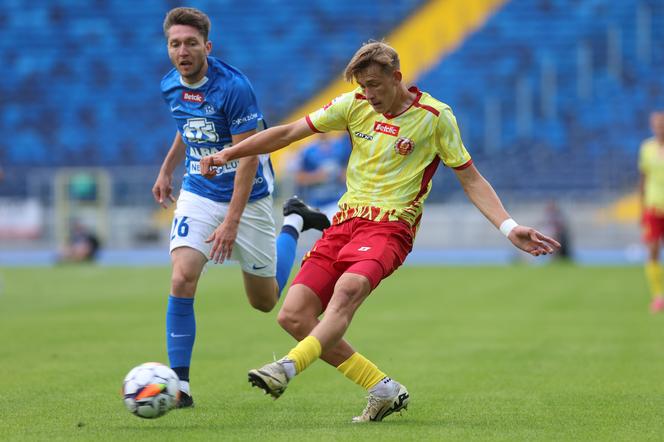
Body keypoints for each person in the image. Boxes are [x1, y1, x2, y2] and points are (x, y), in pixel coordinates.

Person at [200, 41, 560, 422]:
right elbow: (288, 133)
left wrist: (509, 226)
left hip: (391, 227)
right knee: (293, 316)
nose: (368, 94)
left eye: (374, 85)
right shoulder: (354, 105)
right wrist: (227, 154)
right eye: (362, 86)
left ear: (397, 77)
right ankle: (383, 389)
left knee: (347, 291)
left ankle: (286, 368)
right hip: (345, 223)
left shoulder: (435, 117)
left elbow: (470, 179)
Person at [153, 7, 330, 408]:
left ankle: (294, 221)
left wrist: (231, 222)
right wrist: (166, 170)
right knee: (182, 278)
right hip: (198, 190)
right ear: (168, 47)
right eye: (175, 44)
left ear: (207, 46)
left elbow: (249, 157)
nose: (183, 51)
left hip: (247, 197)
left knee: (264, 301)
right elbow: (187, 126)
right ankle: (180, 386)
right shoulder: (169, 85)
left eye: (191, 43)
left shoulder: (234, 87)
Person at [638, 111, 664, 312]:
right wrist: (641, 208)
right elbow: (643, 179)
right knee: (653, 251)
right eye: (656, 125)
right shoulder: (647, 148)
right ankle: (658, 296)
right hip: (653, 207)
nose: (659, 128)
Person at [292, 133, 350, 220]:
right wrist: (317, 176)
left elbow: (351, 170)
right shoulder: (307, 150)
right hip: (316, 203)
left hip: (337, 202)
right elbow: (299, 178)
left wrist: (341, 174)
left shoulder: (341, 146)